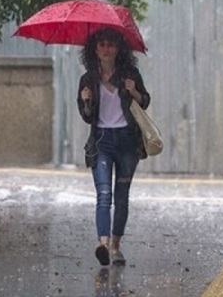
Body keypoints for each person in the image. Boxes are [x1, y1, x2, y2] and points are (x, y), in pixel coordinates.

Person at [78, 27, 151, 266]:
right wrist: (87, 102)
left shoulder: (129, 74)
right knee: (104, 194)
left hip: (127, 141)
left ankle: (116, 245)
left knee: (121, 197)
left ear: (118, 48)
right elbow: (87, 116)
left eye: (110, 44)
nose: (106, 48)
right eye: (101, 44)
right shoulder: (87, 79)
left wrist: (134, 92)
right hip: (101, 141)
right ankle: (103, 244)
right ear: (95, 49)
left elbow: (145, 101)